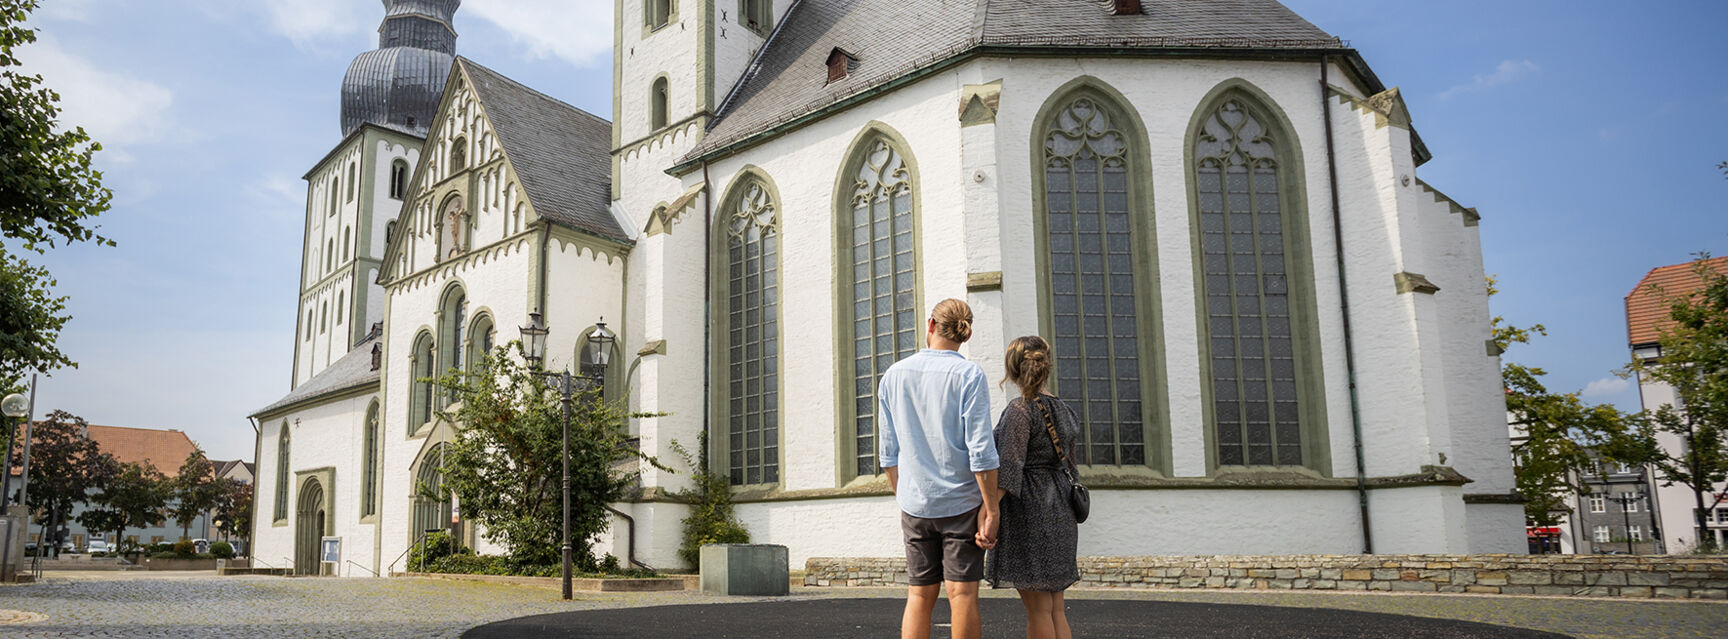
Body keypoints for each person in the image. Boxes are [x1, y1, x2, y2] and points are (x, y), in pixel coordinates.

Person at [879, 298, 1000, 639]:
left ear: (930, 325)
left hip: (915, 505)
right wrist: (991, 509)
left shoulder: (893, 375)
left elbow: (888, 454)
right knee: (961, 595)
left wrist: (906, 496)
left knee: (919, 594)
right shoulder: (969, 375)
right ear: (966, 334)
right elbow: (981, 451)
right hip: (961, 503)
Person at [985, 335, 1080, 639]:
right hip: (1061, 510)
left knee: (1038, 610)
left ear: (1012, 369)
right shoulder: (1063, 409)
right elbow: (1071, 464)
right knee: (1055, 609)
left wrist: (989, 513)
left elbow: (1010, 468)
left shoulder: (1020, 410)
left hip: (1031, 512)